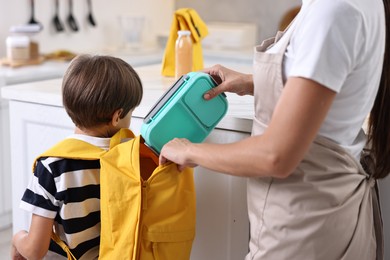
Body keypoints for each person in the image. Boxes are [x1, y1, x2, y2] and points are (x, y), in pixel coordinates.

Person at [159, 0, 390, 259]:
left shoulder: (334, 11)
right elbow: (331, 83)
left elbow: (276, 156)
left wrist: (189, 151)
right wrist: (249, 82)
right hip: (319, 217)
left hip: (304, 227)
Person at [11, 54, 143, 259]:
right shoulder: (131, 157)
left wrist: (18, 238)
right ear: (117, 117)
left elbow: (35, 251)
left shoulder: (52, 167)